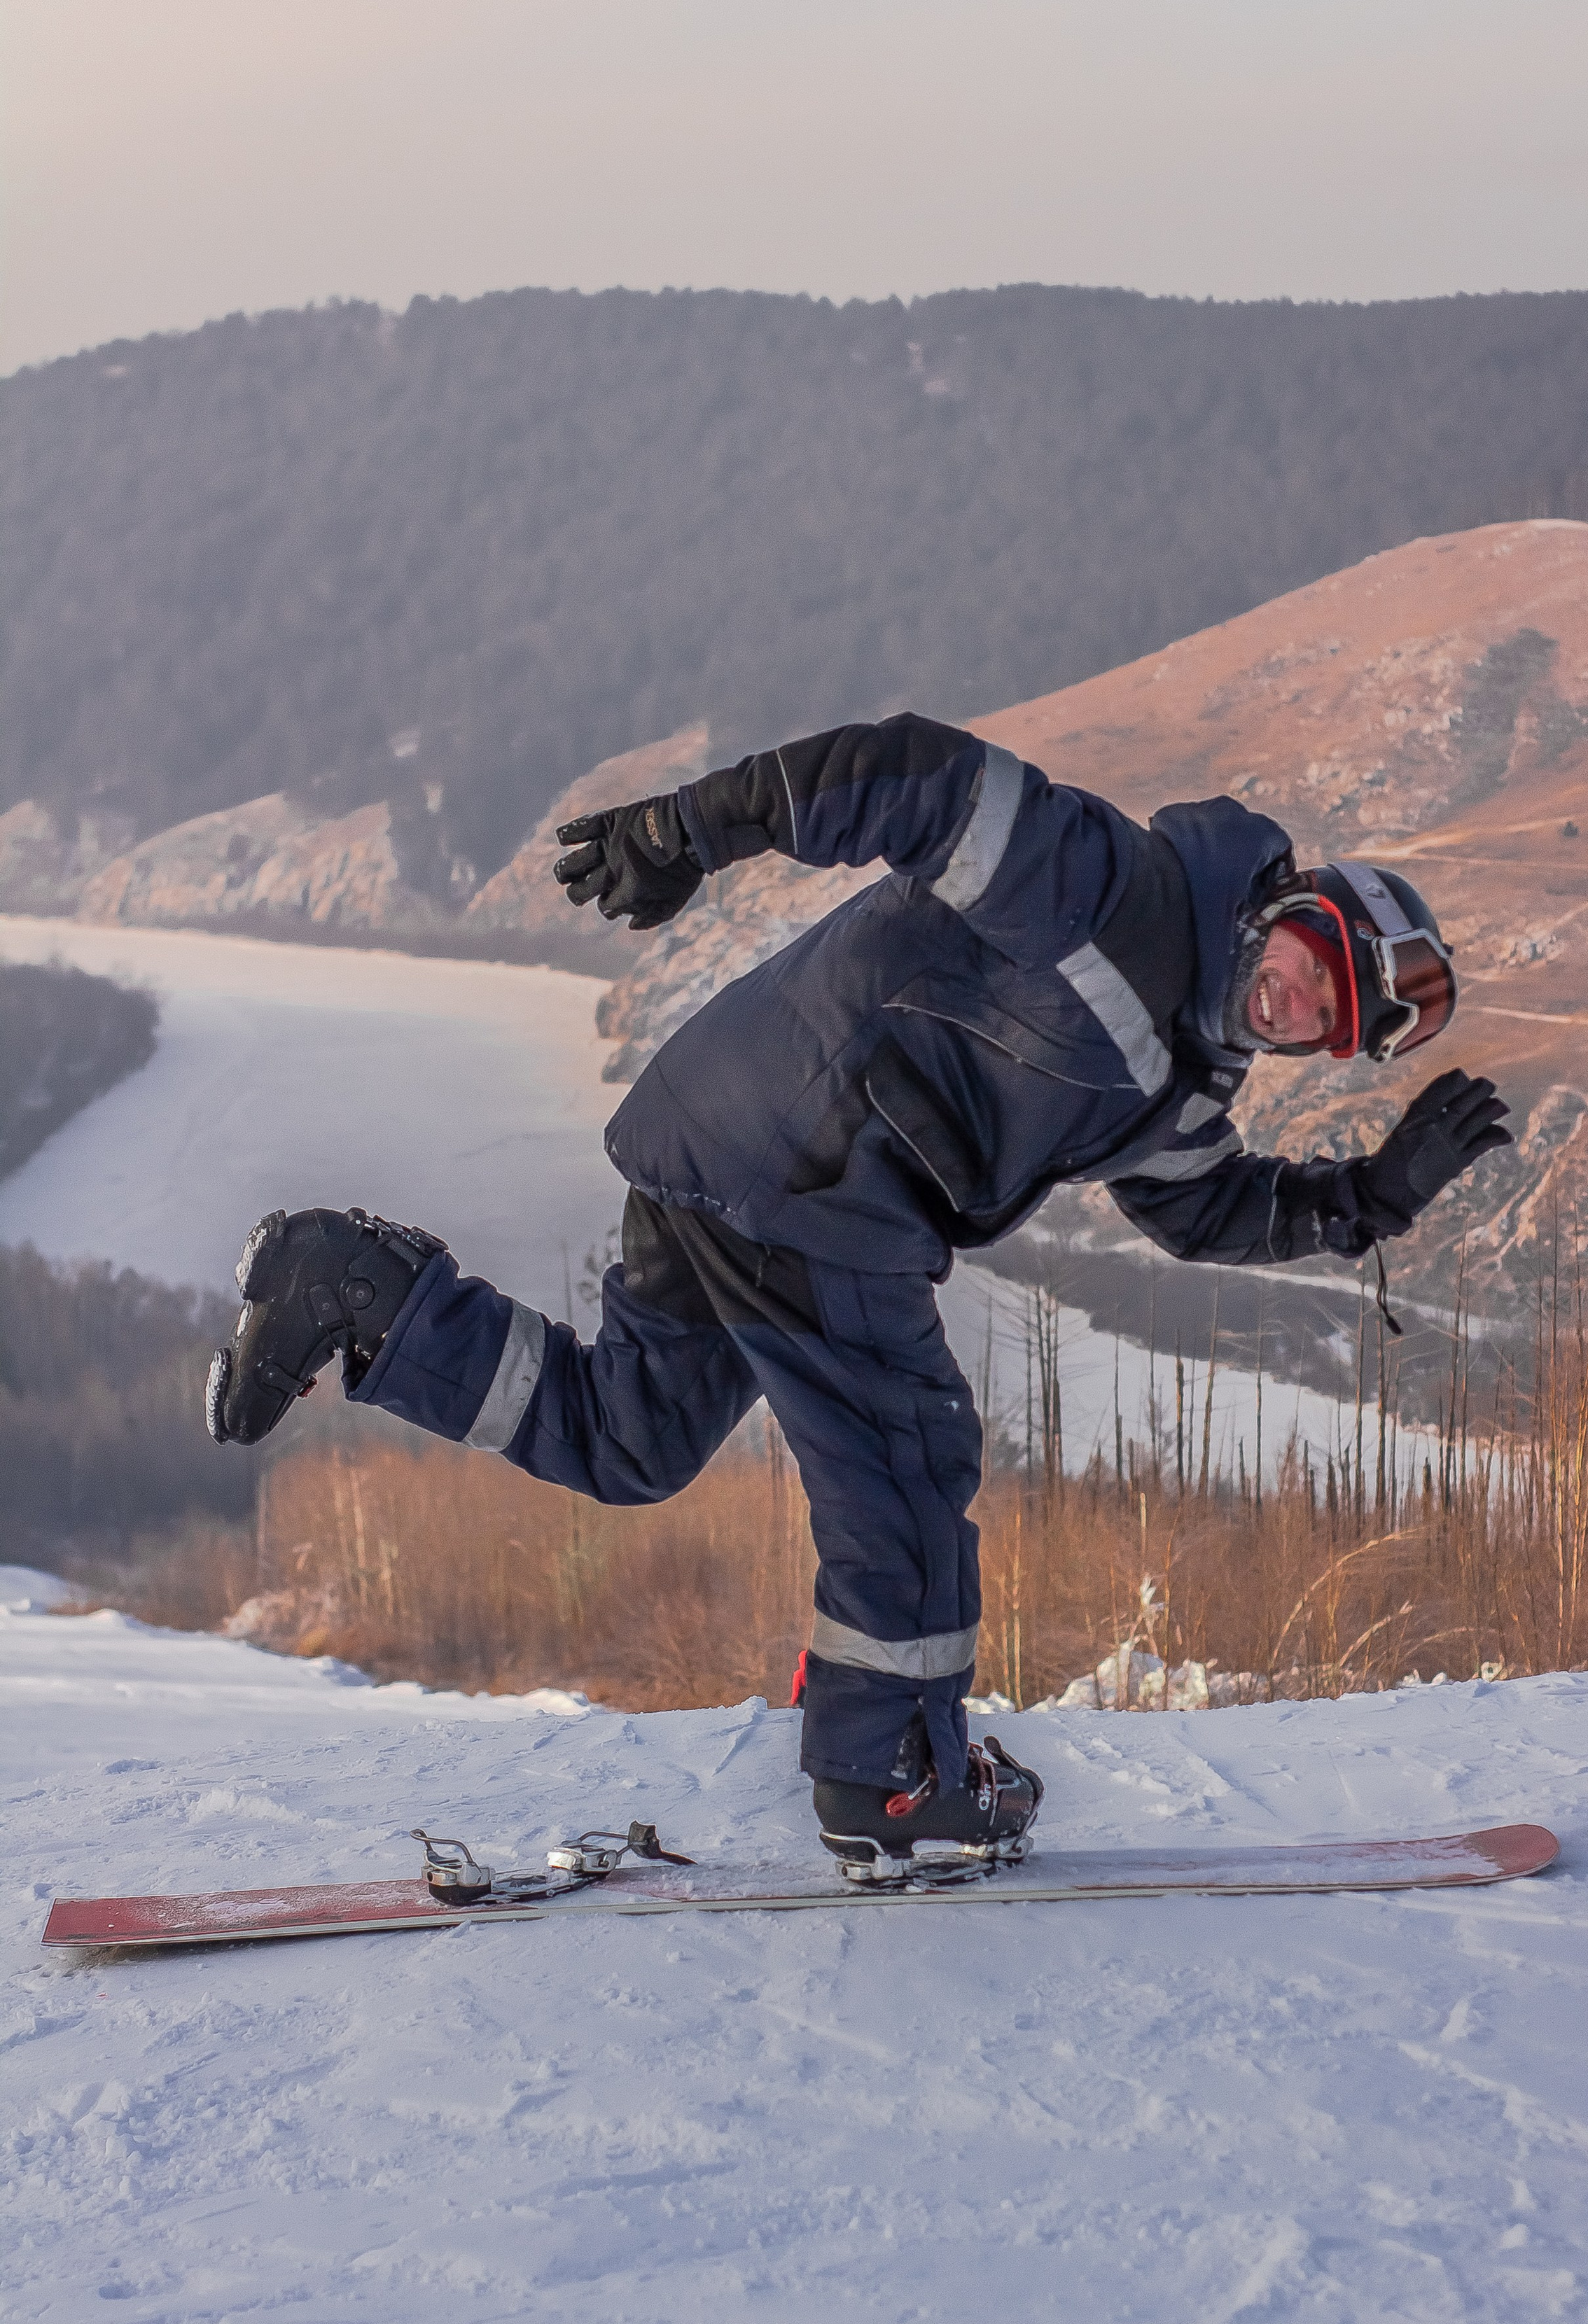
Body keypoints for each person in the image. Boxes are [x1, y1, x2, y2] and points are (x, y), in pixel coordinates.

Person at [207, 716, 1510, 1879]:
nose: (1296, 1007)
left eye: (1326, 1025)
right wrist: (686, 829)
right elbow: (917, 778)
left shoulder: (1184, 1078)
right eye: (1312, 963)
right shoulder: (1120, 884)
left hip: (731, 1139)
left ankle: (364, 1291)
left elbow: (1204, 1208)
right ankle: (890, 1780)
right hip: (810, 1162)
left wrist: (1374, 1199)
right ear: (1293, 903)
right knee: (906, 1456)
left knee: (631, 1434)